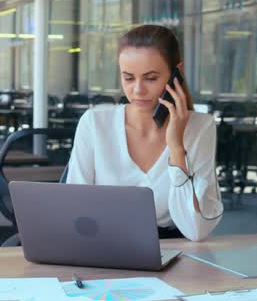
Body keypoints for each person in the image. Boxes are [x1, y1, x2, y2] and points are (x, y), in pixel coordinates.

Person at [66, 25, 223, 241]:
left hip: (173, 254)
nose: (138, 90)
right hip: (103, 246)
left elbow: (195, 230)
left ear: (176, 73)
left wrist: (176, 147)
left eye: (150, 78)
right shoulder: (94, 124)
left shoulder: (200, 127)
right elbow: (74, 210)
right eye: (129, 78)